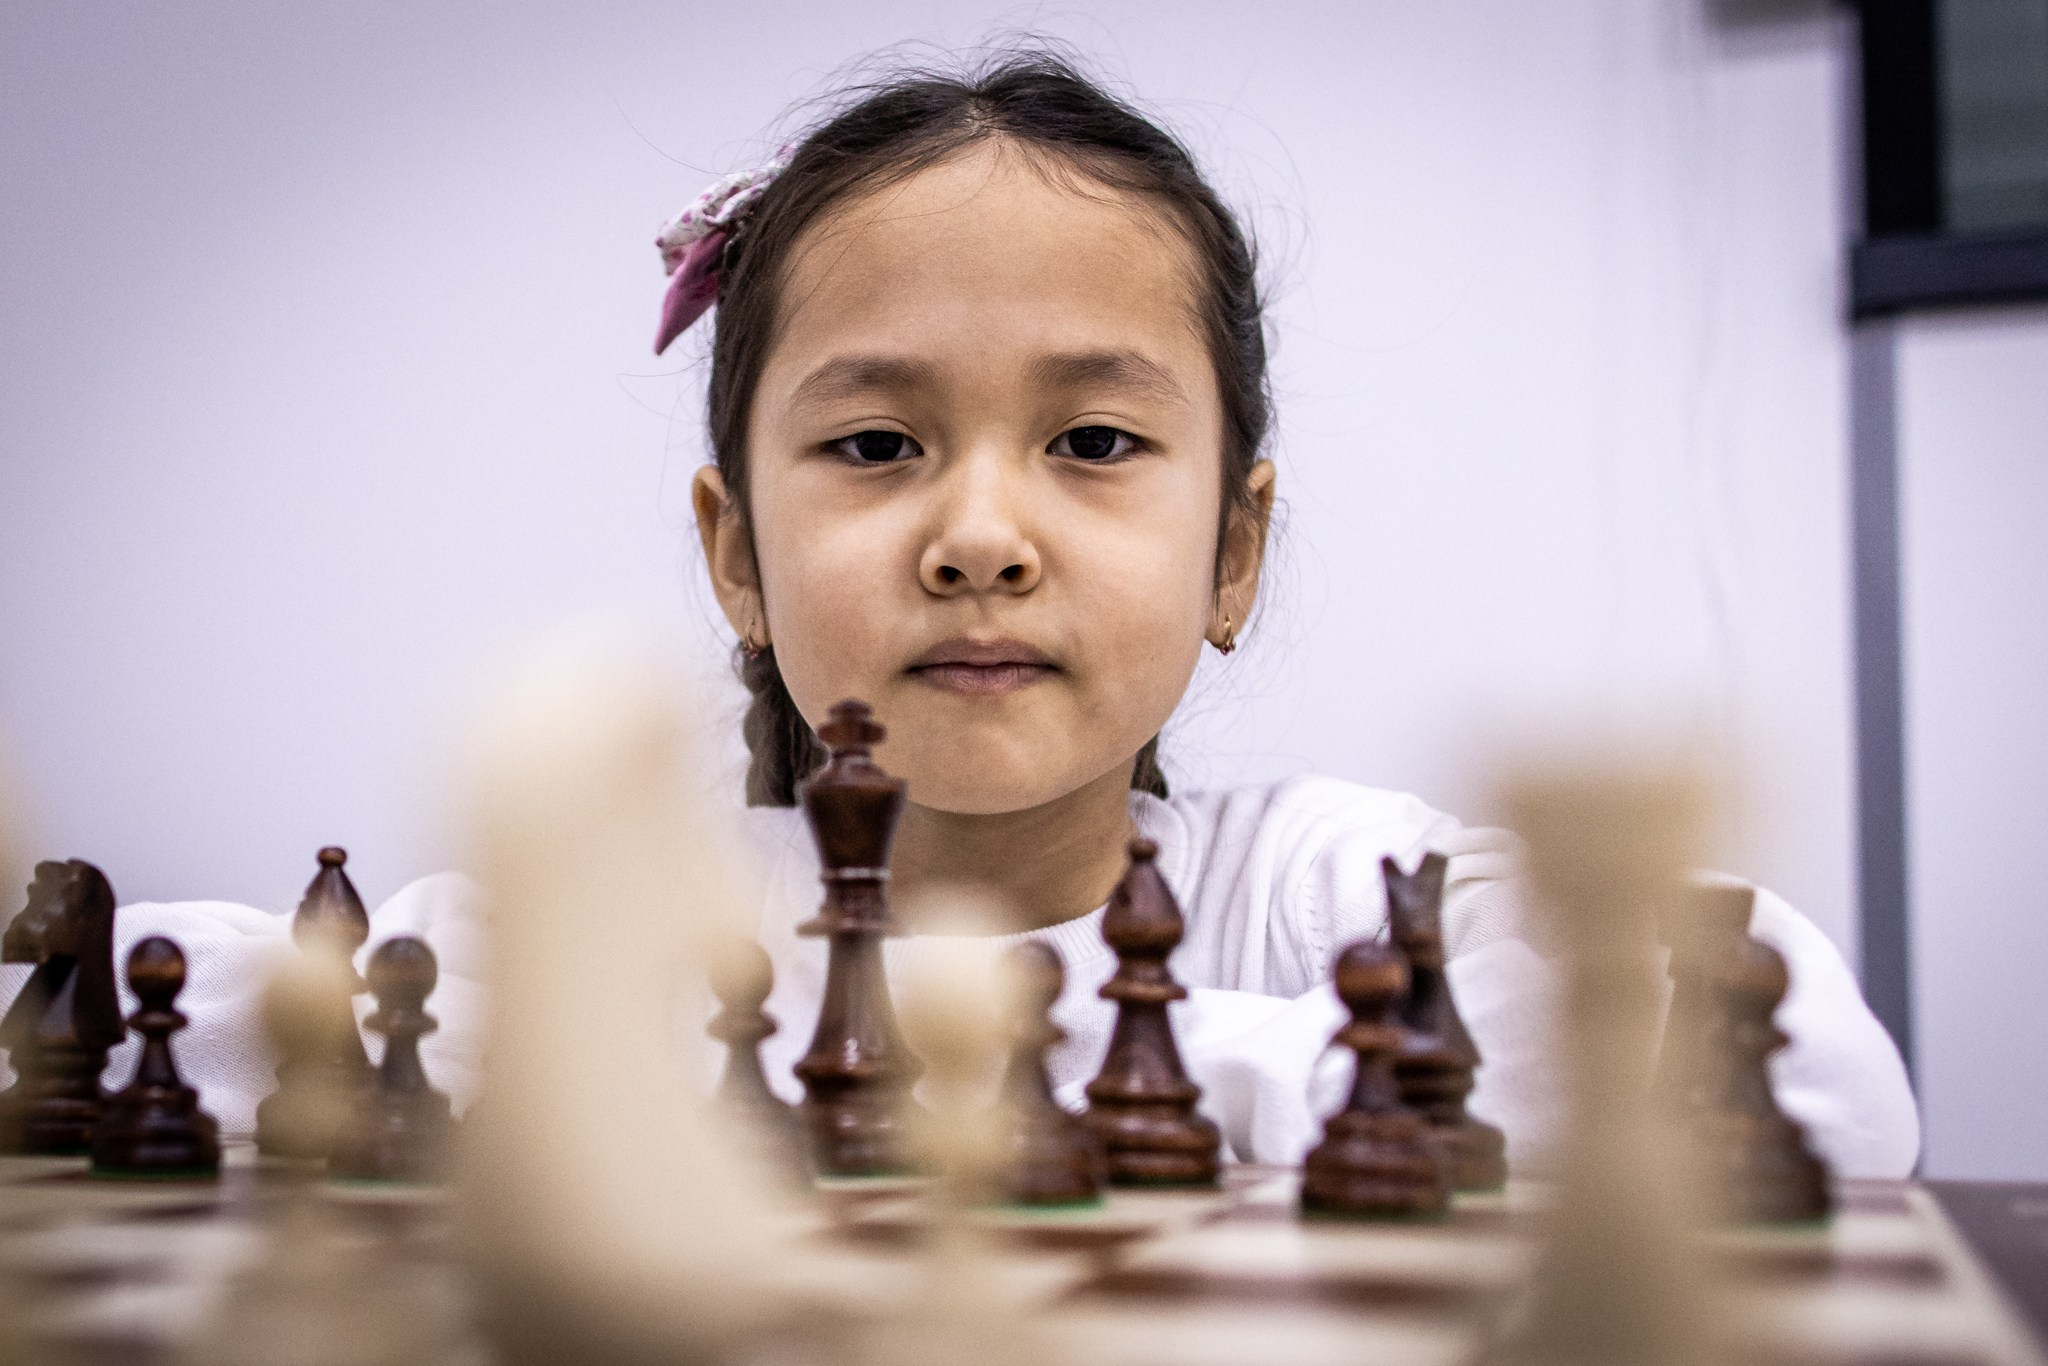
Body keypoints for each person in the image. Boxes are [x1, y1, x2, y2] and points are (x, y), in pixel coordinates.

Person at [0, 51, 1918, 1177]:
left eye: (1093, 440)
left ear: (1234, 553)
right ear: (736, 558)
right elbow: (182, 1007)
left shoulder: (1331, 890)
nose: (981, 537)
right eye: (875, 444)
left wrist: (875, 1072)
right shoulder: (633, 900)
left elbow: (1815, 1074)